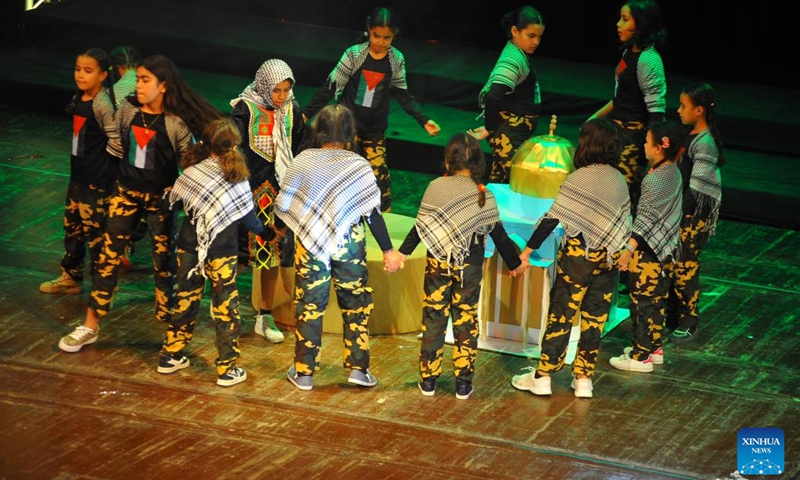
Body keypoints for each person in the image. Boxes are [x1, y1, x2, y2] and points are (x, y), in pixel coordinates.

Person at [58, 54, 223, 353]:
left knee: (164, 264)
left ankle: (169, 329)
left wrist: (175, 188)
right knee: (107, 258)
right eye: (138, 79)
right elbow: (120, 145)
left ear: (163, 86)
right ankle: (89, 325)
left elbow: (186, 160)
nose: (139, 85)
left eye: (146, 80)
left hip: (159, 201)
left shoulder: (174, 123)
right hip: (125, 194)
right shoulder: (127, 111)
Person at [274, 104, 405, 391]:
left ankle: (304, 373)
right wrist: (387, 250)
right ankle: (359, 369)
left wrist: (281, 232)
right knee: (356, 305)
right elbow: (372, 212)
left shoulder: (303, 161)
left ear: (318, 131)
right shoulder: (359, 165)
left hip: (311, 246)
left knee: (310, 307)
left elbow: (284, 205)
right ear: (349, 133)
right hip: (350, 244)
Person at [398, 133, 528, 400]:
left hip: (438, 262)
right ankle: (463, 384)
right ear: (479, 162)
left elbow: (420, 228)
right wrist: (515, 264)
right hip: (469, 264)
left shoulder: (436, 187)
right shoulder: (484, 195)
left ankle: (429, 380)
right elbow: (498, 234)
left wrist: (401, 253)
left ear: (448, 160)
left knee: (434, 319)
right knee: (465, 319)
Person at [510, 118, 631, 398]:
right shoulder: (619, 179)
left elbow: (552, 219)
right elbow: (624, 222)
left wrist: (526, 252)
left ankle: (542, 377)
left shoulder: (579, 178)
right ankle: (584, 379)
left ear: (587, 145)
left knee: (561, 315)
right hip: (608, 259)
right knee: (594, 320)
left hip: (578, 257)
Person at [157, 118, 264, 387]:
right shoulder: (236, 177)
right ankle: (227, 369)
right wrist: (270, 232)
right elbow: (251, 223)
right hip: (222, 253)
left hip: (189, 248)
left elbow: (172, 205)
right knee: (226, 307)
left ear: (205, 144)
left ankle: (170, 355)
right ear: (235, 145)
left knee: (185, 298)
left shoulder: (192, 173)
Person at [302, 6, 441, 212]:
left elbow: (403, 94)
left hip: (374, 129)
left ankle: (383, 220)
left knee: (379, 177)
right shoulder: (354, 54)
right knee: (341, 173)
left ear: (394, 36)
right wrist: (306, 113)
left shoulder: (396, 59)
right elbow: (330, 86)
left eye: (387, 38)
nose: (380, 42)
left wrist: (423, 119)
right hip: (346, 127)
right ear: (368, 30)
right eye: (376, 36)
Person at [230, 58, 305, 344]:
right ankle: (225, 305)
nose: (281, 96)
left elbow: (298, 146)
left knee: (270, 254)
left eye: (286, 90)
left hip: (277, 194)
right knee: (238, 254)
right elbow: (233, 150)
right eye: (276, 90)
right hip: (245, 192)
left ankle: (264, 316)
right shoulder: (245, 110)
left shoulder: (291, 110)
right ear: (264, 85)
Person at [39, 48, 118, 295]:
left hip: (95, 182)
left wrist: (106, 174)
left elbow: (116, 141)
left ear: (103, 75)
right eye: (77, 69)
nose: (80, 75)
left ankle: (101, 286)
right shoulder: (80, 98)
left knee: (95, 233)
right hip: (78, 177)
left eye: (88, 71)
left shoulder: (102, 104)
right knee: (72, 228)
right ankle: (70, 276)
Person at [609, 121, 683, 372]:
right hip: (665, 252)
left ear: (659, 148)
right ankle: (653, 346)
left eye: (646, 141)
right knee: (656, 302)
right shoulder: (672, 170)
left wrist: (627, 249)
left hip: (649, 253)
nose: (643, 145)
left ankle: (640, 357)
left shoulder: (655, 180)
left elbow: (644, 220)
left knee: (642, 302)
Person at [587, 0, 667, 211]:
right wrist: (593, 119)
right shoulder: (628, 53)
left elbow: (657, 111)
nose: (618, 24)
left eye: (625, 19)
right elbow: (620, 98)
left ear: (640, 24)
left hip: (633, 138)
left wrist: (651, 150)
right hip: (617, 132)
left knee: (621, 196)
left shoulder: (649, 60)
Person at [668, 82, 724, 345]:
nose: (679, 110)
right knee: (673, 264)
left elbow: (697, 190)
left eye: (683, 106)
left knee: (686, 267)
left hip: (692, 217)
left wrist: (682, 217)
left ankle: (690, 319)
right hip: (679, 213)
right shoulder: (688, 135)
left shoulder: (705, 143)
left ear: (699, 110)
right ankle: (673, 312)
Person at [468, 5, 545, 184]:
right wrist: (490, 127)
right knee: (518, 181)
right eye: (531, 36)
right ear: (515, 31)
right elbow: (494, 96)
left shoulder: (518, 54)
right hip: (508, 135)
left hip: (511, 134)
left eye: (539, 37)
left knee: (500, 183)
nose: (536, 42)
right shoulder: (512, 58)